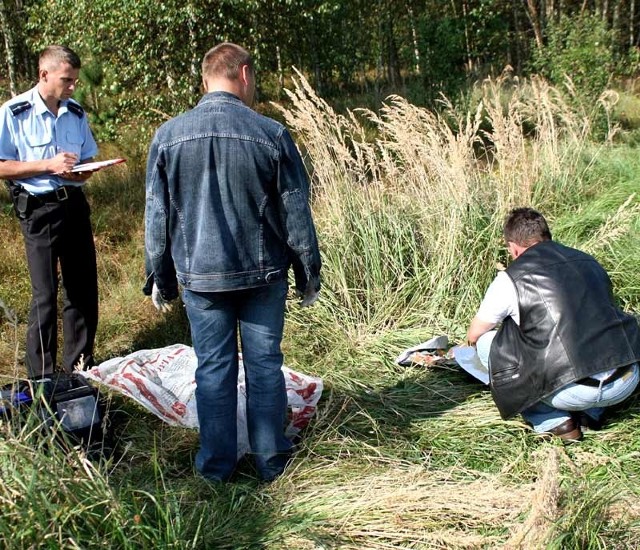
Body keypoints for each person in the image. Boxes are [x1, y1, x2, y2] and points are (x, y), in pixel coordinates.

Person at [144, 42, 321, 482]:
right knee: (264, 368)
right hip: (263, 275)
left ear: (206, 80)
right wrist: (308, 273)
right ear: (243, 73)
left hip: (201, 279)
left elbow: (157, 215)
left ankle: (215, 468)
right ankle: (272, 462)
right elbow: (296, 211)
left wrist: (160, 278)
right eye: (254, 78)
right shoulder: (271, 133)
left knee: (214, 370)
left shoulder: (168, 136)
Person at [467, 207, 640, 442]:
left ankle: (553, 420)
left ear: (513, 247)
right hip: (625, 380)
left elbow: (476, 334)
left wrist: (471, 345)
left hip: (573, 392)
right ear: (546, 236)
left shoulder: (510, 278)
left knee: (488, 343)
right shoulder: (588, 260)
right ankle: (591, 415)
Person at [0, 45, 99, 379]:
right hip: (39, 210)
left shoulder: (76, 113)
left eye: (74, 80)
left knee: (82, 289)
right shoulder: (14, 112)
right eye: (66, 80)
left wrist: (84, 171)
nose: (72, 86)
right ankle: (42, 376)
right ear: (44, 74)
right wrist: (49, 165)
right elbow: (2, 165)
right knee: (45, 294)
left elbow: (86, 159)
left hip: (74, 205)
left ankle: (80, 367)